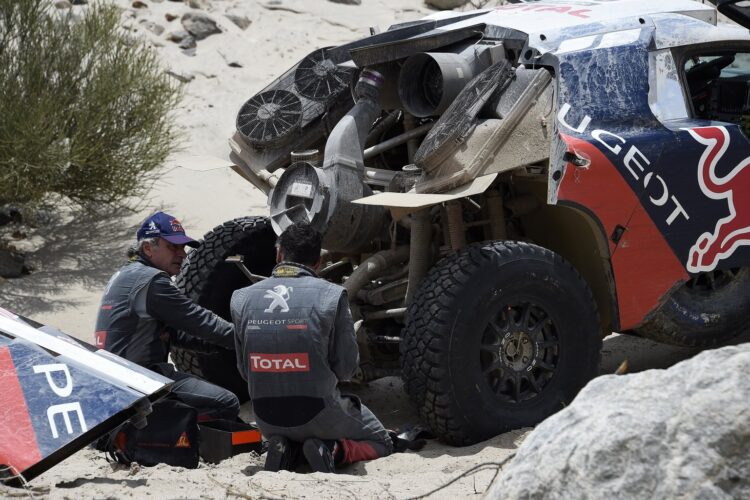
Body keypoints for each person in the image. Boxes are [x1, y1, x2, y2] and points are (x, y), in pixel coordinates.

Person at [231, 222, 393, 473]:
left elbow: (243, 370)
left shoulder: (240, 298)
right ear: (318, 263)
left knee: (292, 427)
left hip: (265, 418)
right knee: (382, 441)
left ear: (279, 255)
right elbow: (347, 370)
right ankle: (333, 451)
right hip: (318, 415)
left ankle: (288, 449)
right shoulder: (332, 295)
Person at [95, 211, 240, 421]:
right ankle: (164, 444)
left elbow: (172, 334)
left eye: (183, 247)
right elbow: (199, 321)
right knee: (226, 403)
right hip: (138, 379)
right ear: (147, 248)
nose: (182, 254)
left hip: (117, 378)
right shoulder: (151, 281)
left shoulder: (127, 275)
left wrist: (220, 345)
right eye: (173, 246)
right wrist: (248, 338)